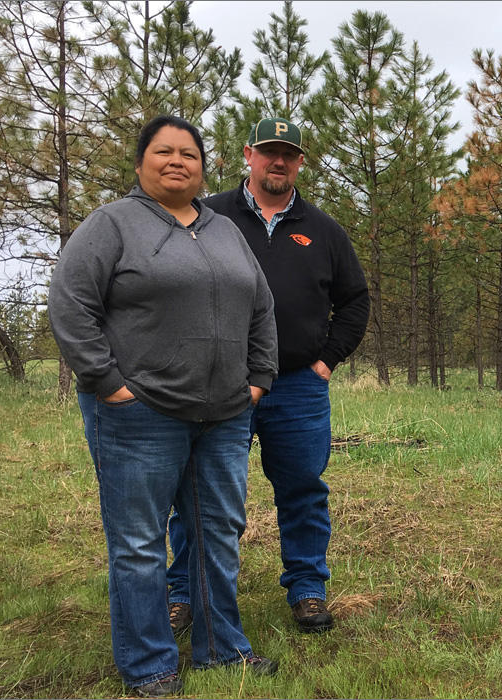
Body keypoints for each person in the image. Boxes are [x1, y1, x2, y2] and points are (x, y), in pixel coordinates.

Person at [49, 115, 280, 697]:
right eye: (163, 152)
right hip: (139, 414)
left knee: (216, 534)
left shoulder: (224, 229)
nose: (177, 161)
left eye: (189, 153)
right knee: (139, 543)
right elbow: (71, 303)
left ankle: (221, 652)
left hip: (224, 416)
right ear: (140, 163)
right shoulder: (113, 224)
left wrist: (258, 379)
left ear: (204, 167)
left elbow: (261, 308)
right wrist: (106, 382)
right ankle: (150, 665)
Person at [167, 117, 369, 635]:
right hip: (220, 384)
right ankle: (187, 592)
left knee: (302, 489)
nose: (278, 161)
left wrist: (325, 361)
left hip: (298, 386)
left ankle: (306, 588)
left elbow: (354, 301)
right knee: (203, 494)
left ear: (300, 162)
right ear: (248, 155)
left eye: (289, 154)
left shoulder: (323, 230)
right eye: (268, 151)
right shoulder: (206, 216)